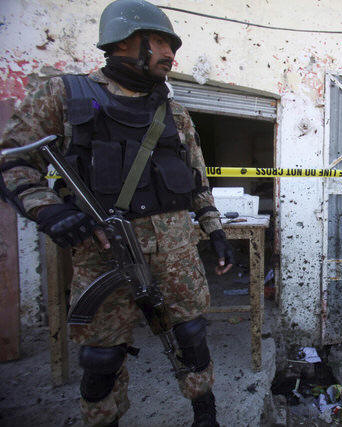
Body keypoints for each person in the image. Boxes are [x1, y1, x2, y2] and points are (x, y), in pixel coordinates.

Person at [0, 1, 233, 426]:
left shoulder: (174, 112)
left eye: (172, 45)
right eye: (159, 41)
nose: (170, 53)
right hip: (102, 252)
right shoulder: (63, 95)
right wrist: (48, 211)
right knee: (101, 357)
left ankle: (205, 412)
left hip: (176, 253)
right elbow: (13, 160)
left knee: (192, 336)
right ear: (123, 41)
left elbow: (197, 180)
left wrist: (214, 229)